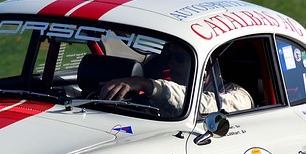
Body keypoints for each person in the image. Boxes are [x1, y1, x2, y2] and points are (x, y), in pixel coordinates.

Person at [101, 53, 253, 115]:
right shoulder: (171, 85)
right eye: (169, 57)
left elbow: (206, 106)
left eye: (180, 58)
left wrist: (147, 85)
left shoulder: (240, 96)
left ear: (205, 65)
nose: (171, 63)